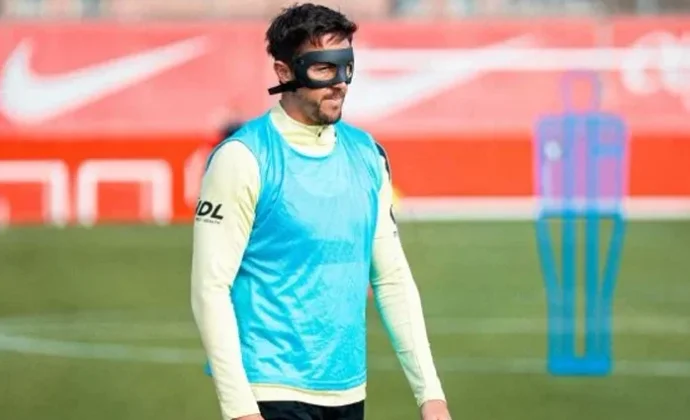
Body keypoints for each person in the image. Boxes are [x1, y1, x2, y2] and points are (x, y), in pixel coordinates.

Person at [190, 3, 451, 420]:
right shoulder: (242, 158)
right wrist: (240, 409)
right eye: (323, 68)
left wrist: (431, 395)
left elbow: (391, 278)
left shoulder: (367, 154)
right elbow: (210, 288)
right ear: (283, 72)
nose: (340, 82)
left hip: (348, 392)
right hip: (268, 392)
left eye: (346, 67)